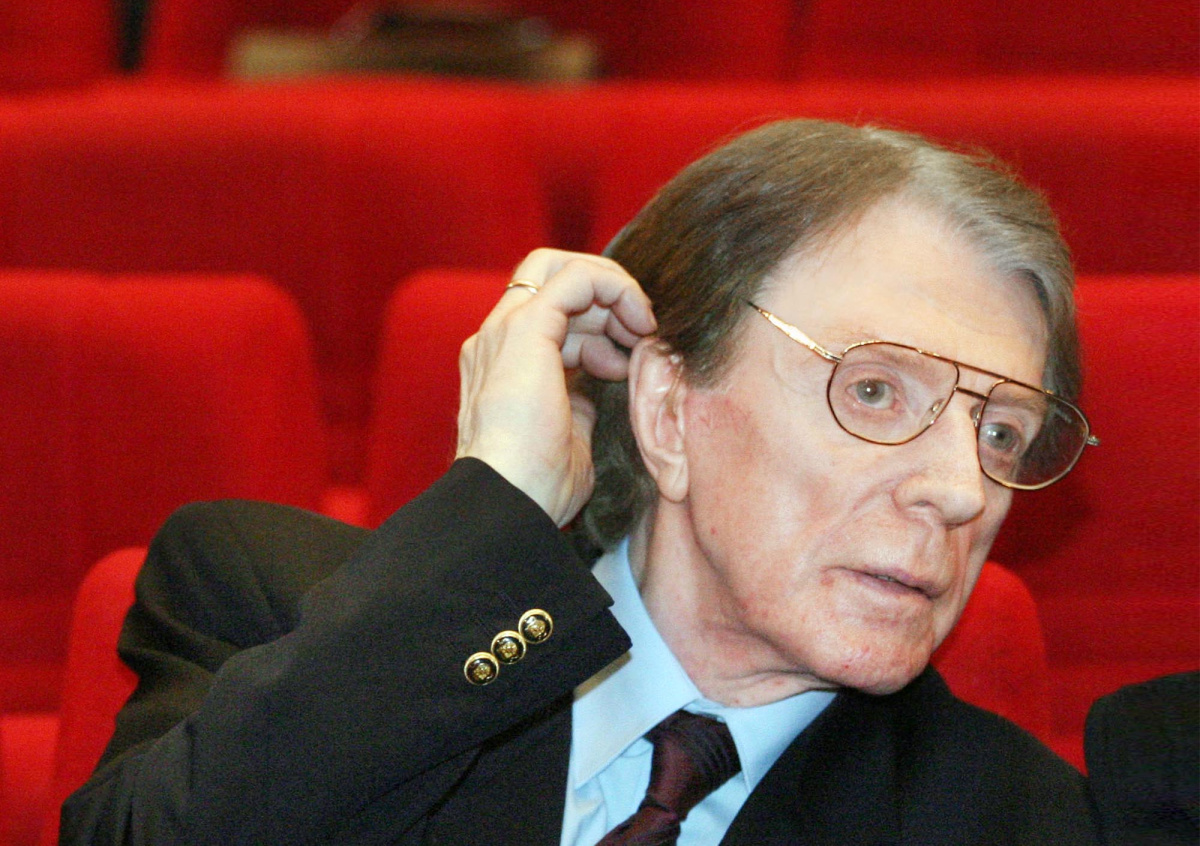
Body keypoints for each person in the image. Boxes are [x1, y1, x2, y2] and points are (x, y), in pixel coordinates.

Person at [61, 119, 1102, 845]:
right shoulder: (272, 609)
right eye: (875, 392)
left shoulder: (1020, 822)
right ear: (667, 409)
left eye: (1001, 433)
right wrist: (498, 506)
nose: (963, 490)